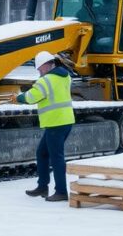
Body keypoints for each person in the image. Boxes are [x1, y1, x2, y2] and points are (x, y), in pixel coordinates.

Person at [16, 51, 75, 202]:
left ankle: (61, 191)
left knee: (56, 157)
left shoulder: (45, 81)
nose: (39, 72)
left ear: (48, 65)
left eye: (40, 68)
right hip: (65, 121)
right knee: (42, 153)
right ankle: (42, 186)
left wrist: (19, 97)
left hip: (55, 122)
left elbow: (31, 97)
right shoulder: (65, 77)